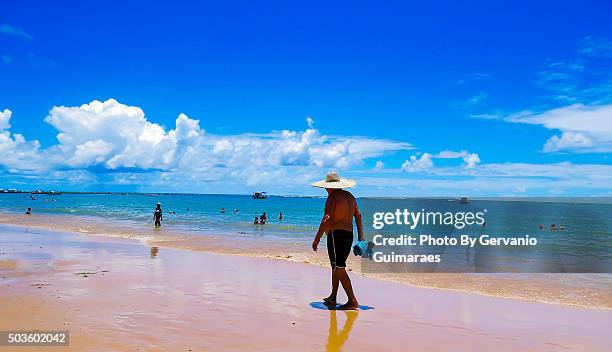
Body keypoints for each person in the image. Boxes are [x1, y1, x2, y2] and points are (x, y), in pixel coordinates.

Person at [311, 172, 363, 310]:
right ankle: (333, 297)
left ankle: (352, 300)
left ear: (330, 187)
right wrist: (361, 237)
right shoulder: (350, 197)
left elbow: (327, 218)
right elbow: (358, 215)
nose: (325, 189)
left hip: (336, 235)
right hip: (348, 234)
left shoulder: (333, 197)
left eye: (326, 187)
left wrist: (317, 238)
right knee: (336, 266)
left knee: (339, 268)